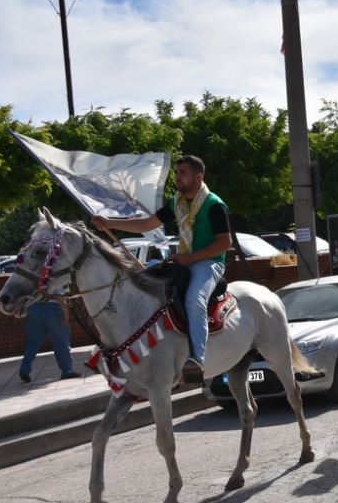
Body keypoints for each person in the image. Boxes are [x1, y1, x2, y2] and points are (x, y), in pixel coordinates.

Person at [91, 155, 231, 385]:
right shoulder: (176, 202)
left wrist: (191, 257)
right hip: (185, 260)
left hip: (209, 263)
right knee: (147, 291)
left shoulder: (214, 205)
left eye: (183, 172)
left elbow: (224, 243)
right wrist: (111, 223)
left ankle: (197, 359)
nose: (177, 177)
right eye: (176, 172)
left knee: (194, 301)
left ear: (199, 177)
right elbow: (147, 224)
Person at [18, 289, 82, 383]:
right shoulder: (53, 276)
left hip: (35, 308)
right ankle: (67, 370)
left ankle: (24, 369)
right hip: (52, 308)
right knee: (61, 341)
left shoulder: (35, 275)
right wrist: (65, 312)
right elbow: (60, 297)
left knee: (32, 342)